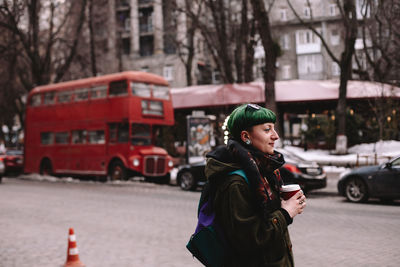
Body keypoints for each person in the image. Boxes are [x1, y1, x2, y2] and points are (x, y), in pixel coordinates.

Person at [205, 103, 306, 266]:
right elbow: (250, 239)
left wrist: (286, 205)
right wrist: (286, 213)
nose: (275, 136)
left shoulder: (261, 170)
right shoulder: (235, 183)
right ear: (246, 136)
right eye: (267, 130)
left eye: (274, 128)